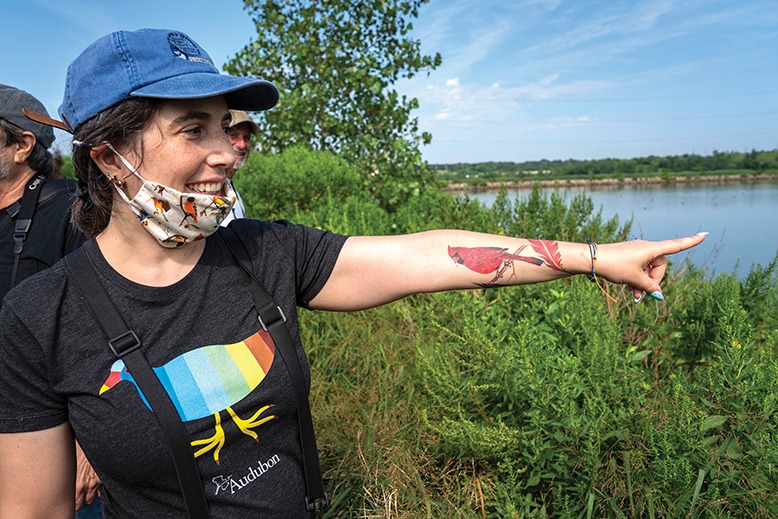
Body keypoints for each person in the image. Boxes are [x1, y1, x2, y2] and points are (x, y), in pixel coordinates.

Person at [0, 29, 706, 518]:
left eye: (233, 127)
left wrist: (595, 257)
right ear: (107, 154)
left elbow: (425, 255)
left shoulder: (266, 252)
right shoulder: (40, 317)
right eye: (194, 128)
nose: (229, 152)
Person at [0, 84, 102, 517]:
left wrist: (91, 448)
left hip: (57, 436)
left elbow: (106, 327)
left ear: (22, 146)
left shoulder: (70, 209)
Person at [221, 110, 258, 225]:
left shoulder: (232, 190)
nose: (242, 145)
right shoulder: (206, 190)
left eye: (246, 138)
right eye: (233, 135)